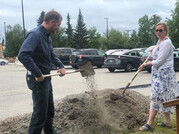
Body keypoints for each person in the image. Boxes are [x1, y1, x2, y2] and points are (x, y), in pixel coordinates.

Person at [18, 10, 66, 134]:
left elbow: (51, 54)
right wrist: (37, 73)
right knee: (40, 115)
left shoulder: (47, 36)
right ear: (52, 22)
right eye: (58, 25)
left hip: (46, 78)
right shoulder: (35, 34)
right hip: (37, 79)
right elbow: (23, 55)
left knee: (49, 111)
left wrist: (60, 66)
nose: (58, 28)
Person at [138, 22, 179, 131]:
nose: (158, 32)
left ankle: (149, 122)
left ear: (165, 31)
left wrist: (145, 64)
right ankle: (168, 122)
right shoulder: (160, 42)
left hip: (164, 74)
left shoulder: (166, 42)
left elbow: (160, 61)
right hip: (158, 74)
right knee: (164, 96)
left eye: (161, 30)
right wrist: (154, 50)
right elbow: (158, 53)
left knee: (155, 96)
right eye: (156, 30)